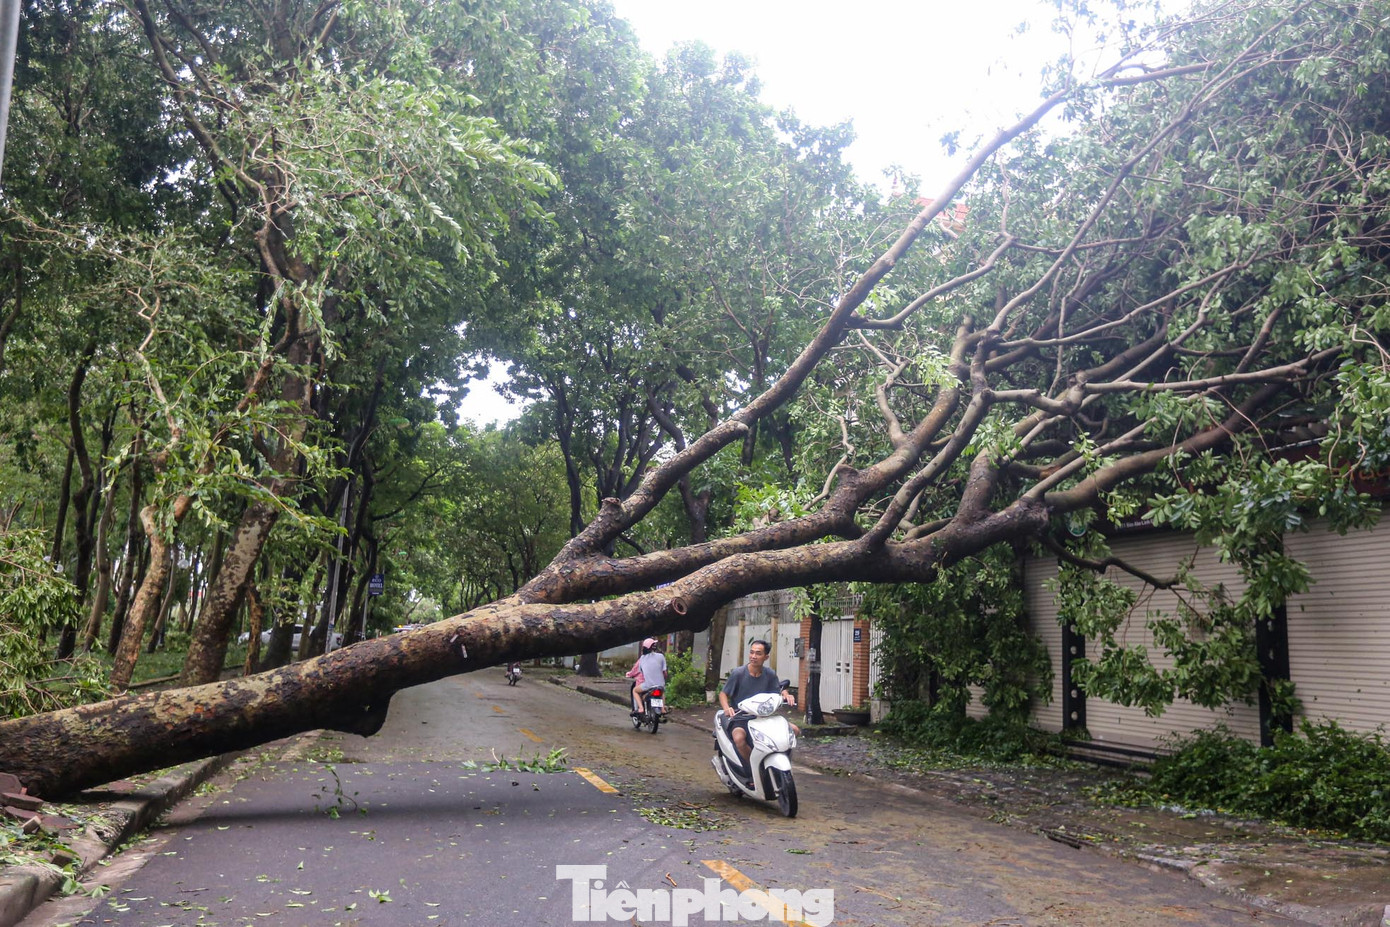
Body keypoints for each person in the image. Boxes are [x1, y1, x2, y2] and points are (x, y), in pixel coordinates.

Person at [719, 640, 797, 777]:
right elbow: (723, 694)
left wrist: (786, 694)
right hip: (741, 718)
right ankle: (753, 771)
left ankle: (781, 766)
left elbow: (777, 691)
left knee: (794, 730)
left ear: (766, 657)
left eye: (758, 653)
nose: (753, 656)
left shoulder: (770, 674)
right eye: (752, 652)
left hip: (764, 717)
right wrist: (727, 708)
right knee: (739, 738)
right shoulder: (738, 673)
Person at [628, 638, 667, 715]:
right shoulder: (661, 656)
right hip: (660, 685)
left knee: (635, 691)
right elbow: (664, 672)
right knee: (662, 692)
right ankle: (662, 709)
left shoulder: (642, 659)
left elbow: (641, 672)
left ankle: (641, 708)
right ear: (654, 647)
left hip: (648, 685)